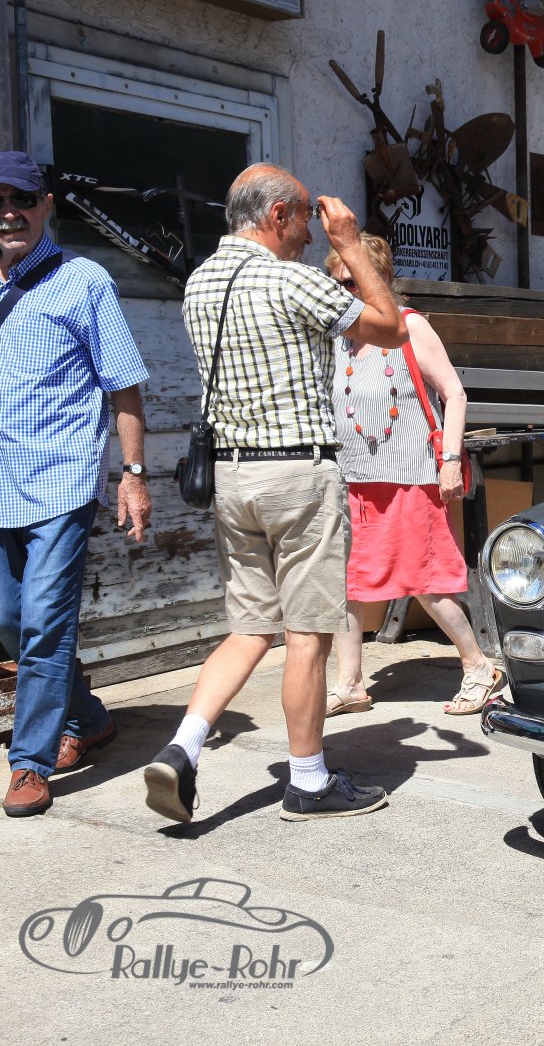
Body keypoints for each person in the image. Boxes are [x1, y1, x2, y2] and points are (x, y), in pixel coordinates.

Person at [142, 163, 407, 826]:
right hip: (297, 474)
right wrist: (350, 244)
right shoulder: (293, 280)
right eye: (304, 220)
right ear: (278, 216)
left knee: (248, 628)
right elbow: (389, 326)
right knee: (307, 635)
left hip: (233, 478)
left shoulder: (201, 280)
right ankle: (309, 781)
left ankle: (182, 747)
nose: (310, 234)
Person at [0, 151, 151, 818]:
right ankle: (86, 715)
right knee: (9, 616)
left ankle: (28, 761)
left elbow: (124, 386)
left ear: (46, 205)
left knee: (47, 621)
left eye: (22, 199)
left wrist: (133, 473)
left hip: (60, 482)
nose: (9, 214)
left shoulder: (84, 281)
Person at [324, 234, 503, 718]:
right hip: (352, 479)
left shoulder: (409, 326)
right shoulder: (339, 336)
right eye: (336, 281)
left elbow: (454, 393)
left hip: (409, 475)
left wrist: (450, 460)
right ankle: (350, 683)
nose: (343, 290)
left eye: (352, 281)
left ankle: (479, 667)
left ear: (380, 279)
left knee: (425, 579)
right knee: (345, 582)